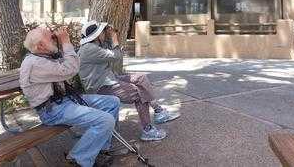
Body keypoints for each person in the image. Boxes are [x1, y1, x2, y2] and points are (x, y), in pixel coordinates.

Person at [19, 27, 120, 167]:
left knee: (112, 102)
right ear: (41, 46)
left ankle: (100, 150)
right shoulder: (35, 63)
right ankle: (77, 159)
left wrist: (60, 44)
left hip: (64, 101)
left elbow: (69, 62)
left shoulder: (41, 56)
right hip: (52, 110)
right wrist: (65, 41)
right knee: (105, 120)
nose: (55, 39)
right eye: (51, 38)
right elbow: (71, 69)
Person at [78, 20, 180, 142]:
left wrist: (111, 37)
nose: (104, 33)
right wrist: (115, 38)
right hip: (100, 87)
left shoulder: (94, 46)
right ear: (96, 35)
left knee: (140, 78)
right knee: (138, 93)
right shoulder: (89, 49)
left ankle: (158, 110)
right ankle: (147, 130)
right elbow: (117, 56)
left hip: (108, 79)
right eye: (102, 31)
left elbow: (115, 57)